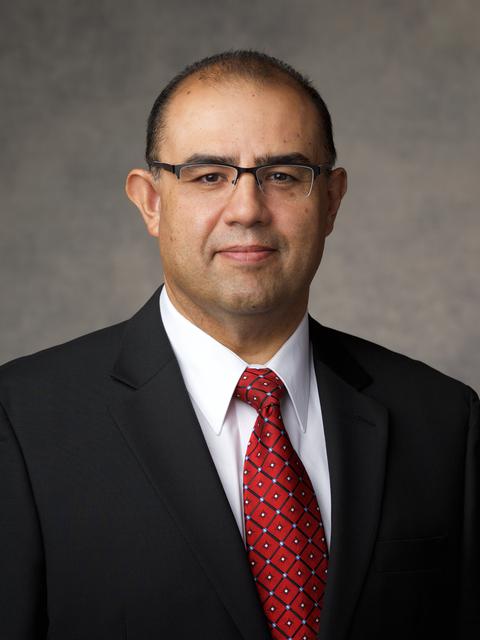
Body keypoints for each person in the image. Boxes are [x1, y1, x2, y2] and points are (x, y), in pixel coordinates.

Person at [0, 51, 478, 640]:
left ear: (331, 201)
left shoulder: (443, 420)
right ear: (151, 202)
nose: (248, 210)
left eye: (283, 175)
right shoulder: (21, 423)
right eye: (208, 176)